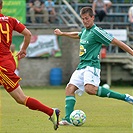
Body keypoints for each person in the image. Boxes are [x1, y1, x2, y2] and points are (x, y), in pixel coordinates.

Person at [54, 7, 133, 125]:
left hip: (92, 66)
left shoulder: (97, 31)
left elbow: (116, 42)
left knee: (90, 89)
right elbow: (78, 34)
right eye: (83, 19)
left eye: (87, 18)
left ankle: (125, 97)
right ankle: (68, 119)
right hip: (82, 66)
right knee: (70, 89)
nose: (85, 21)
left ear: (92, 18)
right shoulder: (85, 31)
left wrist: (132, 53)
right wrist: (63, 33)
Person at [0, 0, 60, 130]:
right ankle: (51, 112)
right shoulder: (10, 20)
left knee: (21, 98)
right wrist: (24, 49)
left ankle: (51, 112)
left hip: (2, 66)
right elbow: (28, 34)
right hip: (8, 61)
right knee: (20, 99)